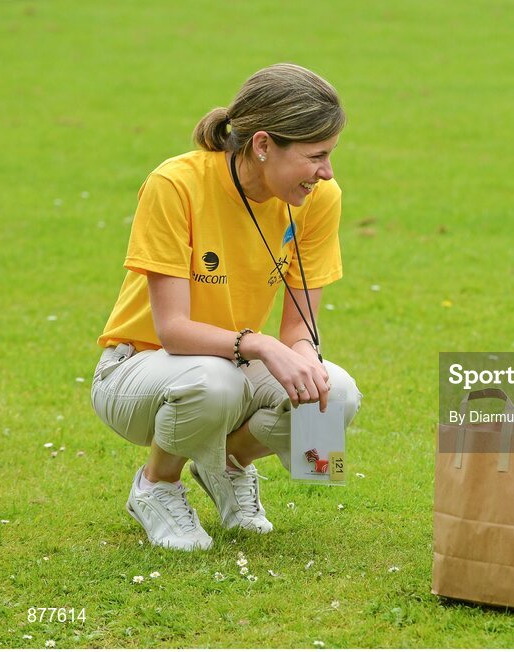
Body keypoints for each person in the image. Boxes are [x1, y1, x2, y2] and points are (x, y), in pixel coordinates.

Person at [91, 63, 362, 551]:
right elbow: (172, 330)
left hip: (232, 364)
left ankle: (227, 468)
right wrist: (260, 346)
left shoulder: (318, 199)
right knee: (214, 382)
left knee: (337, 392)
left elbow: (301, 327)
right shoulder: (176, 184)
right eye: (316, 155)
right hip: (137, 370)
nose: (327, 172)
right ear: (262, 146)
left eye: (331, 155)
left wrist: (304, 361)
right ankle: (156, 486)